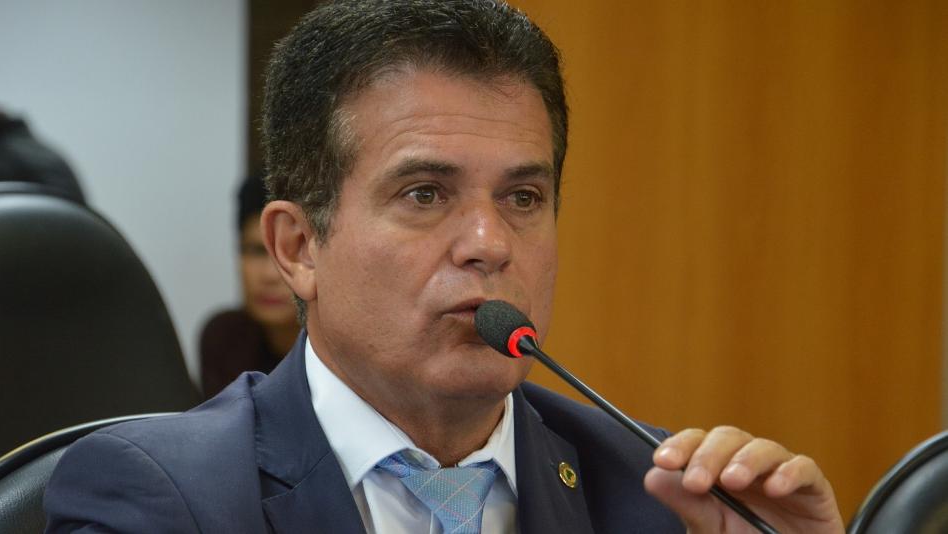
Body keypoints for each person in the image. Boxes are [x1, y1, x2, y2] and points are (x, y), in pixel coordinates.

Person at [44, 1, 846, 532]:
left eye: (524, 197)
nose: (489, 242)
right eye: (425, 193)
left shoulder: (660, 493)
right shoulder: (159, 498)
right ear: (299, 247)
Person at [199, 173, 299, 398]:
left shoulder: (346, 354)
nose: (269, 275)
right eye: (255, 251)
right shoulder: (225, 340)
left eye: (288, 252)